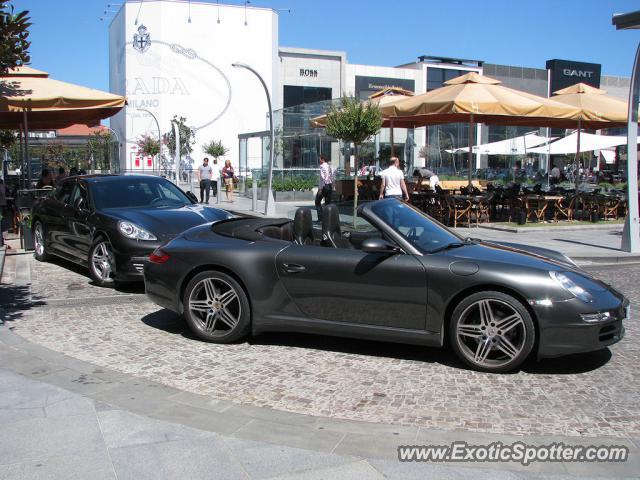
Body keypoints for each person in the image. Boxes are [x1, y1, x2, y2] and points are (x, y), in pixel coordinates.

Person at [315, 155, 334, 221]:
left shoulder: (322, 166)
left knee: (317, 201)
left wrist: (320, 189)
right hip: (330, 186)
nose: (319, 160)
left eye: (319, 159)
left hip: (324, 186)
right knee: (328, 203)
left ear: (322, 159)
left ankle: (320, 218)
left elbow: (323, 178)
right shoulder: (329, 166)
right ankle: (328, 219)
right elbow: (332, 176)